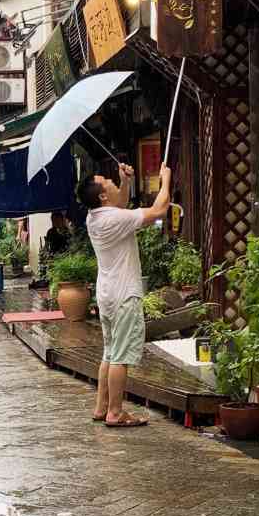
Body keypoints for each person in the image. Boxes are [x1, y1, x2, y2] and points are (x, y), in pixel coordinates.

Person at [76, 162, 171, 429]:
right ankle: (115, 413)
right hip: (124, 295)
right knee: (120, 356)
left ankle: (101, 407)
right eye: (107, 181)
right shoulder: (114, 219)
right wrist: (165, 180)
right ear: (103, 196)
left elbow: (118, 206)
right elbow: (159, 210)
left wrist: (124, 181)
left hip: (107, 294)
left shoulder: (95, 216)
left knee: (109, 352)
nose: (109, 180)